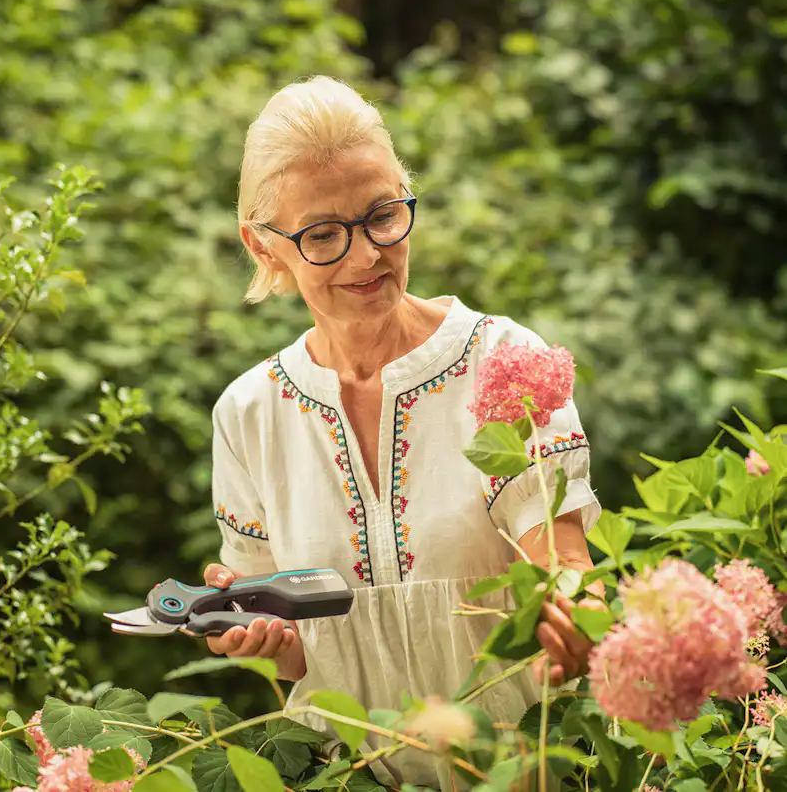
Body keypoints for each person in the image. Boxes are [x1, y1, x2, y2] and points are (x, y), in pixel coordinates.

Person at [202, 76, 602, 791]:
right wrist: (257, 640)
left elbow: (563, 558)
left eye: (383, 216)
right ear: (264, 249)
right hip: (346, 775)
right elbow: (290, 657)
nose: (366, 256)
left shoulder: (502, 360)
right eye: (323, 234)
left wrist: (577, 612)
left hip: (526, 770)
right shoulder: (248, 414)